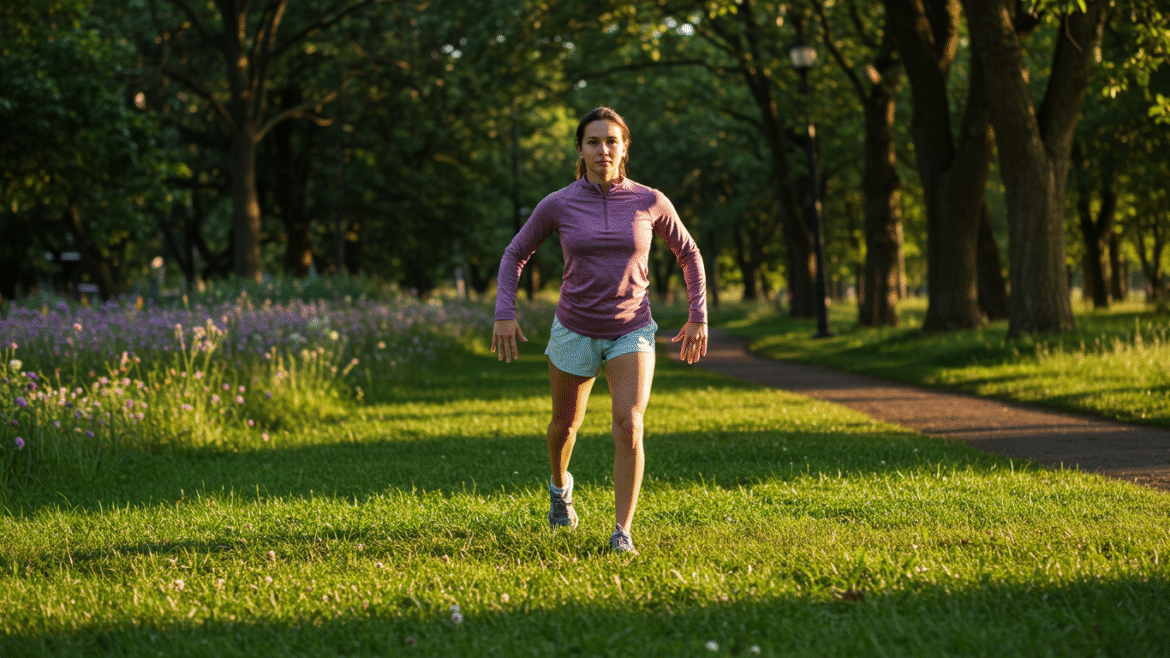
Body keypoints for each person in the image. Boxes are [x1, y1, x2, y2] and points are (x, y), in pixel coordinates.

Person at [491, 106, 708, 555]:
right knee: (563, 428)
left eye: (612, 141)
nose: (603, 149)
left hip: (632, 329)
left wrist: (698, 315)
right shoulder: (559, 203)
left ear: (624, 147)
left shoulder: (650, 200)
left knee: (629, 425)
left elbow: (688, 253)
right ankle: (559, 488)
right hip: (574, 329)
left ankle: (622, 531)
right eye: (594, 141)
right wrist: (504, 313)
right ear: (580, 149)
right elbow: (515, 254)